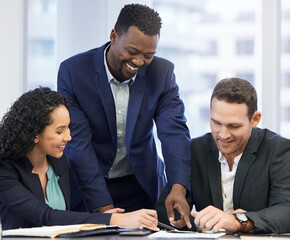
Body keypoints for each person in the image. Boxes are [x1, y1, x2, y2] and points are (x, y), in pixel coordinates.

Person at [57, 3, 191, 228]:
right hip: (88, 186)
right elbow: (78, 143)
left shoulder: (162, 73)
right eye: (132, 51)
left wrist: (178, 186)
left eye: (148, 55)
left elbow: (174, 132)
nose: (139, 62)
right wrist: (105, 209)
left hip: (140, 185)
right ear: (113, 36)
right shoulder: (73, 72)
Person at [0, 87, 159, 230]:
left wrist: (101, 218)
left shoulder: (58, 161)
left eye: (69, 127)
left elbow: (68, 214)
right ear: (34, 134)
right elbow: (45, 216)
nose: (68, 137)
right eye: (60, 131)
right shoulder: (5, 170)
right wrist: (113, 219)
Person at [156, 77, 290, 233]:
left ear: (255, 119)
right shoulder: (195, 150)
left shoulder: (278, 150)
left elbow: (286, 210)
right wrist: (202, 222)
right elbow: (163, 211)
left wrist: (239, 221)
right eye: (216, 123)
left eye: (233, 126)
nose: (223, 135)